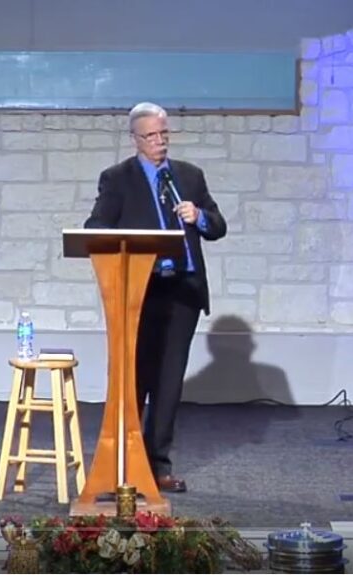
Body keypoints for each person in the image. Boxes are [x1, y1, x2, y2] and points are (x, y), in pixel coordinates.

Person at [84, 102, 227, 492]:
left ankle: (158, 464)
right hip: (138, 292)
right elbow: (95, 228)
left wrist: (199, 216)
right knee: (137, 379)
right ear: (135, 139)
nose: (160, 141)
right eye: (151, 135)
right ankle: (126, 464)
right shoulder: (117, 179)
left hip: (182, 290)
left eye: (164, 134)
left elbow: (218, 226)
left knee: (169, 382)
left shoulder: (189, 177)